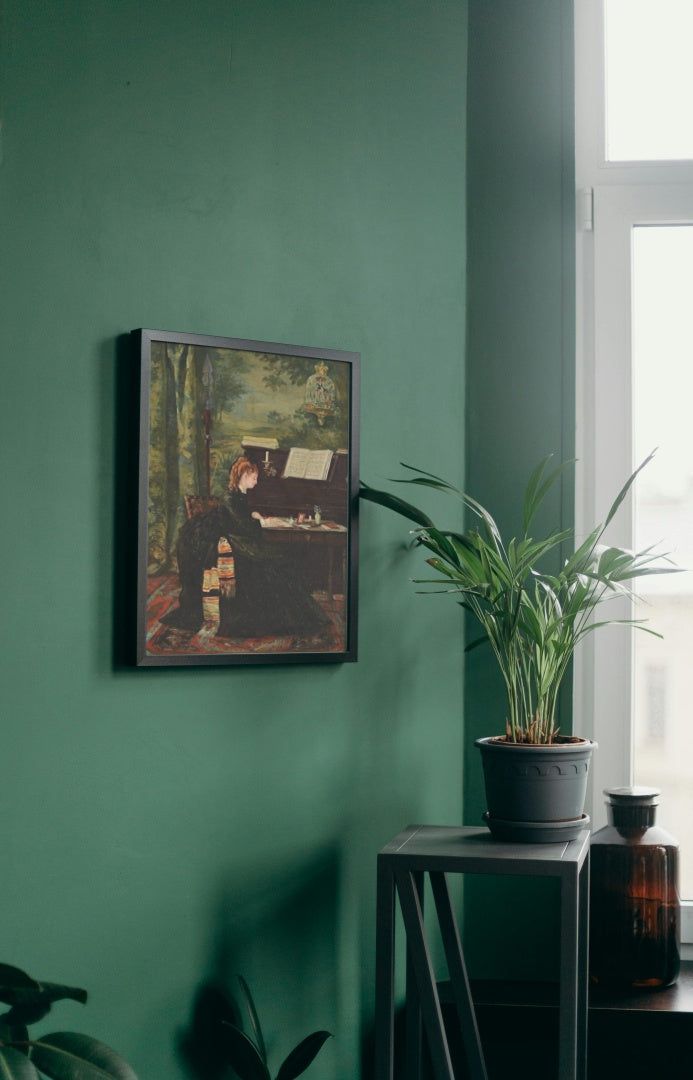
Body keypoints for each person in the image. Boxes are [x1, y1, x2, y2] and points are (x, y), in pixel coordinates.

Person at [161, 456, 329, 641]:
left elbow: (240, 518)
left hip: (239, 539)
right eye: (254, 477)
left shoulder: (239, 495)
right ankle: (281, 618)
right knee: (274, 561)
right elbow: (241, 525)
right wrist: (262, 521)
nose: (256, 482)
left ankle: (294, 614)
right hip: (233, 543)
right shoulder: (230, 497)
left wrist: (253, 515)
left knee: (280, 558)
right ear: (243, 475)